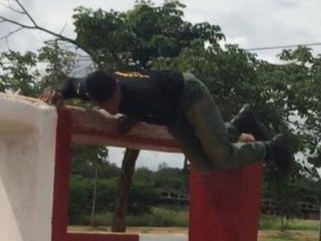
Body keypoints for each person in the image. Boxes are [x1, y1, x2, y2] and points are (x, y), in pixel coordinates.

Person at [39, 68, 299, 177]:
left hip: (187, 95)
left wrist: (129, 120)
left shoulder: (146, 97)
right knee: (205, 167)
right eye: (102, 104)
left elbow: (180, 123)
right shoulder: (88, 87)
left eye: (113, 101)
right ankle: (242, 121)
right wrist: (58, 94)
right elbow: (70, 83)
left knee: (220, 156)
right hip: (166, 106)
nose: (109, 108)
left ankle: (272, 149)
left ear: (118, 86)